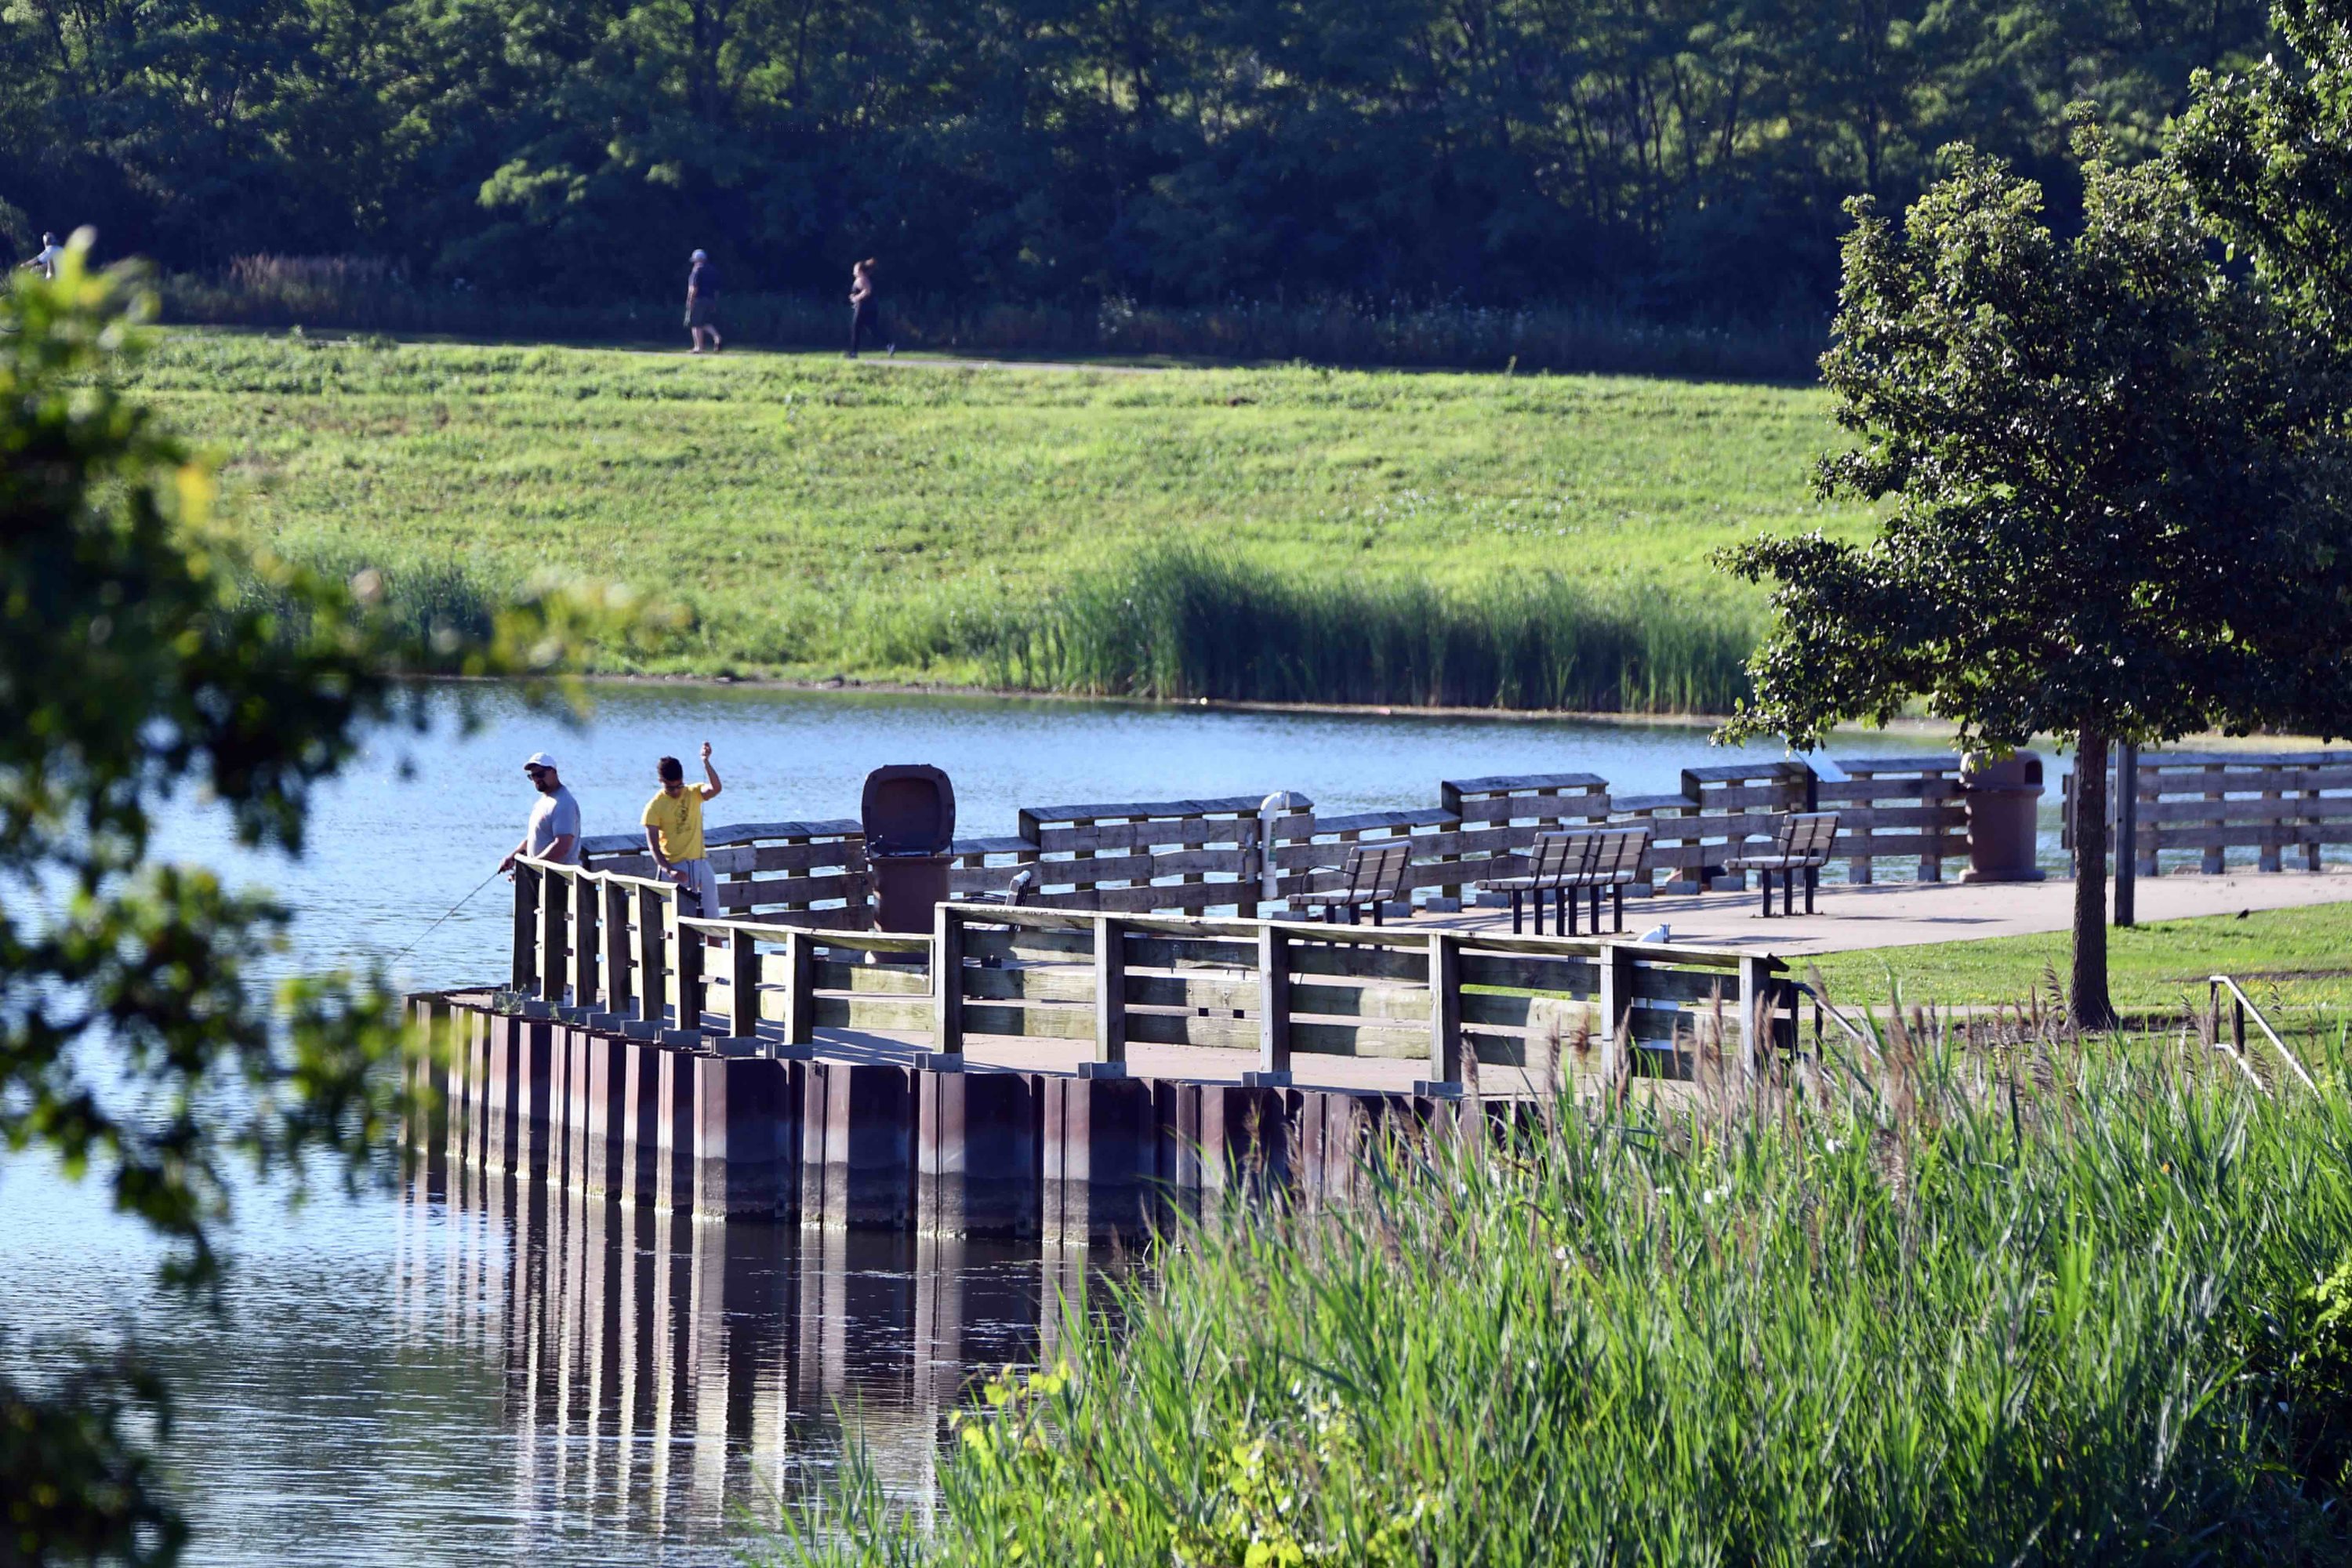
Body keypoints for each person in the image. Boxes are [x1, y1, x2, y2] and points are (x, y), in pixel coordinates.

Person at [642, 741, 723, 916]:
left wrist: (706, 762)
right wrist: (670, 870)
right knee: (675, 924)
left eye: (679, 786)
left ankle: (715, 943)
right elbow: (654, 847)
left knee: (712, 921)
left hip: (700, 864)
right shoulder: (654, 807)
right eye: (670, 787)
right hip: (674, 867)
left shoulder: (693, 792)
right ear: (661, 781)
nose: (676, 791)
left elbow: (716, 788)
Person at [499, 752, 582, 874]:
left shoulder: (564, 803)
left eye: (540, 774)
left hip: (559, 880)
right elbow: (535, 837)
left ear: (554, 772)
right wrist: (513, 857)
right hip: (542, 876)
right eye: (533, 776)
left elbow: (562, 846)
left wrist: (531, 868)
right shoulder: (542, 802)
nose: (537, 779)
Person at [847, 258, 891, 359]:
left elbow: (867, 291)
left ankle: (854, 353)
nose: (854, 272)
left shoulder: (862, 279)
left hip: (863, 308)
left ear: (861, 271)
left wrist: (856, 298)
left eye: (855, 270)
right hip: (868, 307)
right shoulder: (861, 279)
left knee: (856, 329)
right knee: (873, 329)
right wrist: (853, 297)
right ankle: (889, 344)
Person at [685, 248, 722, 354]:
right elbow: (716, 289)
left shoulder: (696, 271)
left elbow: (694, 288)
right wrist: (714, 302)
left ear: (696, 260)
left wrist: (690, 300)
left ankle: (699, 347)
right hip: (710, 299)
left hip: (698, 300)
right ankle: (717, 337)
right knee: (705, 322)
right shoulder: (712, 271)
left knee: (695, 323)